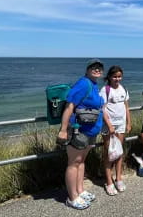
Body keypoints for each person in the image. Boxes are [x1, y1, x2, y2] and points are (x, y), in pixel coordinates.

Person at [57, 59, 105, 210]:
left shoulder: (94, 84)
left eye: (99, 68)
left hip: (90, 130)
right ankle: (72, 197)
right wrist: (64, 130)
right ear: (87, 69)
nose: (97, 69)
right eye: (93, 67)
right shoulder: (83, 83)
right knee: (73, 163)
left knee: (81, 161)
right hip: (78, 130)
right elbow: (69, 106)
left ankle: (80, 190)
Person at [100, 66, 131, 196]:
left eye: (119, 76)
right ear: (109, 77)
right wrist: (109, 125)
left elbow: (126, 107)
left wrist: (129, 122)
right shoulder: (105, 90)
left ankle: (119, 178)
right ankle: (109, 181)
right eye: (114, 76)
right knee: (109, 154)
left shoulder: (123, 88)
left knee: (119, 152)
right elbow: (102, 109)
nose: (117, 79)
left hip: (121, 125)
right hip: (109, 126)